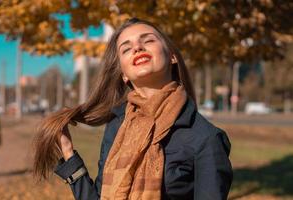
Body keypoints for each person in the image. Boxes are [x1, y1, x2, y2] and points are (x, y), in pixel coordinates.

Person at [33, 18, 233, 200]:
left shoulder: (205, 138)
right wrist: (69, 155)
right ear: (124, 74)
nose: (137, 47)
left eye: (148, 40)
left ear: (172, 56)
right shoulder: (117, 126)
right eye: (126, 49)